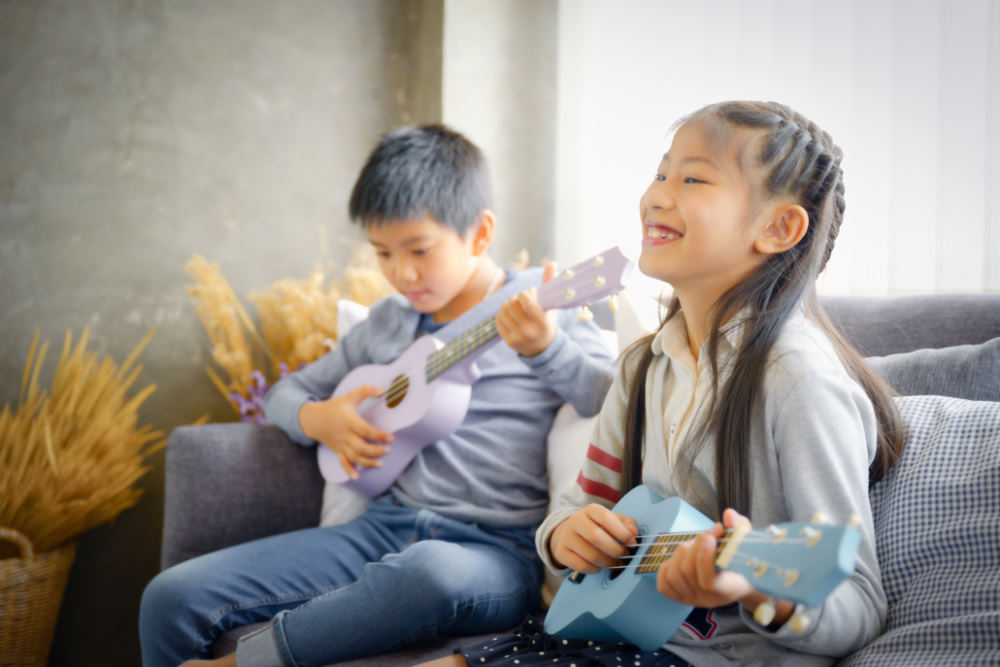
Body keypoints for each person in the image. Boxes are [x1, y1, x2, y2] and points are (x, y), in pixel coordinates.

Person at [420, 100, 906, 667]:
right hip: (612, 633)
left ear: (779, 227)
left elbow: (859, 602)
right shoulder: (642, 367)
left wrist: (753, 589)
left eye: (693, 177)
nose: (654, 195)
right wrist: (563, 535)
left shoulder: (798, 381)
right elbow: (582, 504)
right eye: (660, 173)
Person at [139, 124, 616, 667]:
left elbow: (609, 398)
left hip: (492, 552)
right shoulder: (387, 323)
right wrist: (320, 419)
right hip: (381, 528)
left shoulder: (539, 300)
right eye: (383, 253)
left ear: (480, 234)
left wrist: (545, 348)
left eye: (419, 249)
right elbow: (283, 395)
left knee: (429, 573)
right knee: (170, 599)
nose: (401, 273)